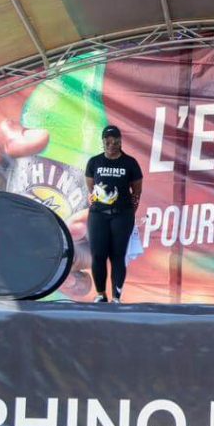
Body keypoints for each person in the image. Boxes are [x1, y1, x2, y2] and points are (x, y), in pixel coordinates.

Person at [84, 125, 143, 303]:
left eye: (115, 142)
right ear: (103, 142)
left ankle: (117, 296)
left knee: (117, 255)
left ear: (120, 142)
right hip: (98, 215)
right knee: (98, 255)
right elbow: (91, 187)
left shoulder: (130, 163)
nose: (112, 145)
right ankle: (101, 294)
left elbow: (137, 191)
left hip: (122, 215)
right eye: (108, 142)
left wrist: (129, 212)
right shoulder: (94, 162)